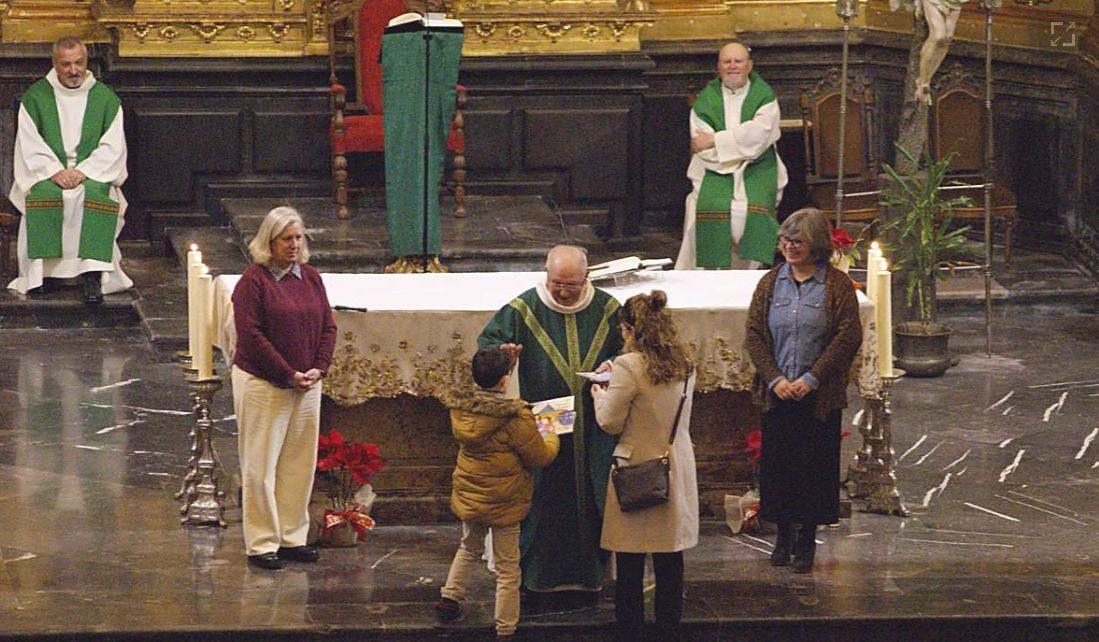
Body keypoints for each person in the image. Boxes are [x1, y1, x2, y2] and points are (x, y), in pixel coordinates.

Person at [478, 244, 624, 600]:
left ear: (586, 278)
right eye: (556, 282)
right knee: (546, 494)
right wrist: (504, 356)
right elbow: (487, 348)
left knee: (591, 493)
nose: (562, 290)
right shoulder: (524, 308)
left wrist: (615, 364)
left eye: (571, 285)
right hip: (547, 418)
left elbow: (631, 349)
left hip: (594, 419)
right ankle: (540, 574)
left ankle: (591, 573)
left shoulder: (607, 309)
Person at [744, 207, 862, 573]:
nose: (789, 247)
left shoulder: (836, 285)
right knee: (779, 469)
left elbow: (847, 336)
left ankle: (807, 542)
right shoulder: (770, 282)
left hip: (817, 397)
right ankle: (782, 538)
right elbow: (754, 334)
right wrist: (776, 379)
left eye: (798, 241)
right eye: (785, 240)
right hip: (777, 394)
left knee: (813, 470)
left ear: (816, 245)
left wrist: (811, 379)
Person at [231, 206, 337, 570]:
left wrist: (318, 369)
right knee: (261, 466)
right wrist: (288, 372)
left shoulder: (309, 277)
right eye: (286, 239)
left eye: (298, 238)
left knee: (298, 464)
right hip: (265, 383)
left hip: (307, 386)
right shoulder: (253, 282)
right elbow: (251, 336)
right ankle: (262, 543)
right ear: (269, 242)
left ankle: (291, 536)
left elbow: (328, 327)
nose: (294, 245)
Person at [590, 290, 698, 642]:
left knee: (631, 560)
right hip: (675, 462)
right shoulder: (685, 362)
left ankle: (631, 631)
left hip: (636, 467)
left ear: (629, 329)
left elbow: (610, 421)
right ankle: (669, 630)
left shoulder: (628, 365)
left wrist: (599, 393)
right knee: (670, 557)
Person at [435, 346, 561, 641]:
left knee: (469, 546)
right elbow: (540, 457)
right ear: (506, 379)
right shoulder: (516, 418)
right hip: (504, 499)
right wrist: (552, 431)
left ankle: (449, 598)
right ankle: (505, 628)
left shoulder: (462, 409)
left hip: (471, 493)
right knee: (507, 567)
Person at [7, 36, 132, 305]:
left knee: (94, 195)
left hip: (90, 174)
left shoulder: (105, 99)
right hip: (48, 173)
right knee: (45, 195)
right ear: (55, 63)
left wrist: (83, 171)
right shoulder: (36, 97)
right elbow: (29, 143)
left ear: (87, 62)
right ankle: (43, 275)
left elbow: (113, 146)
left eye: (79, 63)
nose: (74, 70)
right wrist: (54, 171)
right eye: (66, 64)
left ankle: (92, 274)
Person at [676, 41, 788, 271]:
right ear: (719, 66)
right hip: (715, 172)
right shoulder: (705, 102)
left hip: (757, 170)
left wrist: (717, 140)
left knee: (751, 210)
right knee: (703, 208)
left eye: (738, 61)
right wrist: (738, 147)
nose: (732, 67)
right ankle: (705, 277)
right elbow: (702, 146)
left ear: (749, 65)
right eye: (727, 62)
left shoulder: (764, 97)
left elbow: (760, 136)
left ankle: (748, 276)